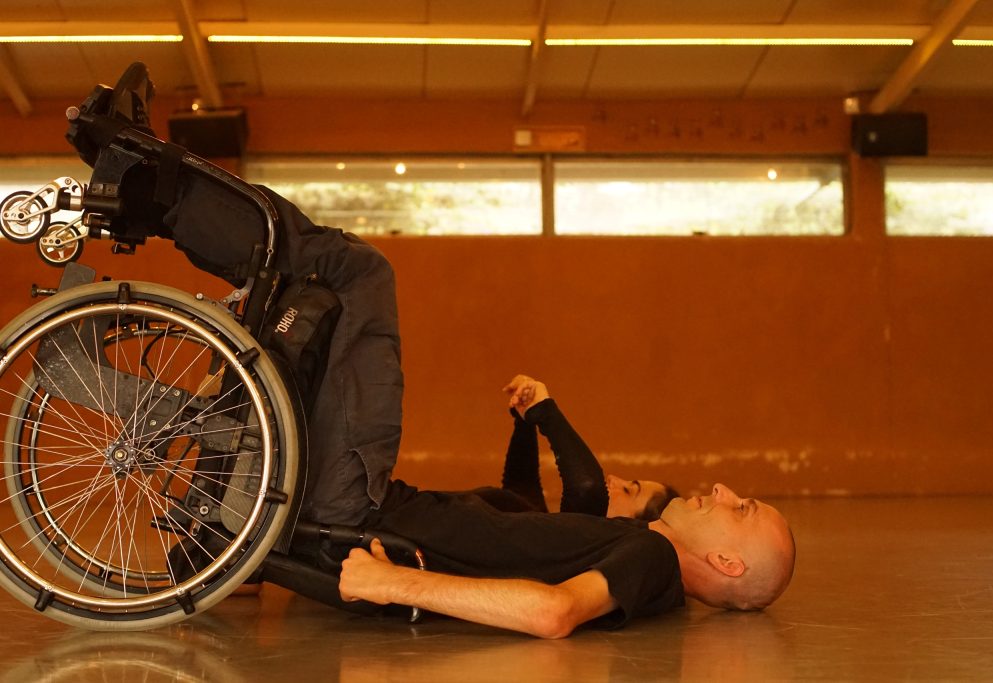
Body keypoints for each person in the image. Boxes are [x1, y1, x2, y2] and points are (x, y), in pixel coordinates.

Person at [66, 63, 796, 638]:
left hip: (357, 512)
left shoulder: (653, 560)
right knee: (295, 326)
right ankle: (126, 275)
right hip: (360, 504)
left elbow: (554, 614)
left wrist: (394, 584)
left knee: (356, 275)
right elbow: (529, 510)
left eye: (742, 507)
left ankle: (153, 188)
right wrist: (528, 423)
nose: (722, 490)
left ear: (727, 563)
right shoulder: (621, 542)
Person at [467, 374, 679, 521]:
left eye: (627, 490)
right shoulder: (555, 539)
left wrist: (545, 412)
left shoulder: (575, 553)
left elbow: (587, 487)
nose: (613, 478)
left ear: (631, 525)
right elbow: (520, 493)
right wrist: (526, 420)